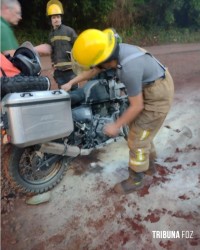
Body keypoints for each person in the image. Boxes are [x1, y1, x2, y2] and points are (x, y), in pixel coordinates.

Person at [61, 28, 174, 194]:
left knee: (137, 138)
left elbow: (137, 106)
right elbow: (94, 70)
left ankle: (136, 179)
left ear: (105, 61)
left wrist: (116, 125)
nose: (96, 66)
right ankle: (150, 164)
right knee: (141, 129)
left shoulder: (128, 68)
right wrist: (72, 82)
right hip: (150, 85)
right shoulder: (113, 53)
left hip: (158, 95)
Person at [35, 0, 78, 89]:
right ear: (50, 20)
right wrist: (53, 67)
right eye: (54, 18)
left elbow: (77, 46)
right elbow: (52, 51)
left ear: (61, 18)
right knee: (62, 93)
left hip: (70, 69)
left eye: (58, 17)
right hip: (58, 71)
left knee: (75, 93)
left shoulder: (69, 31)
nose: (56, 19)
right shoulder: (51, 34)